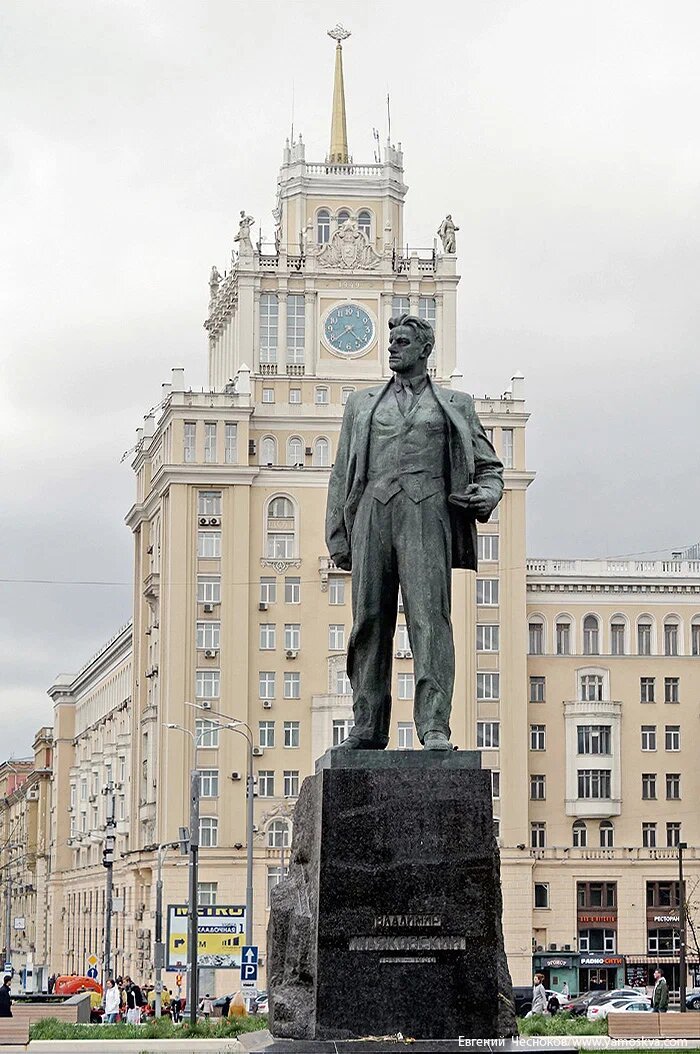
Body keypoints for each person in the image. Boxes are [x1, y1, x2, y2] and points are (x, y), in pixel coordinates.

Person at [326, 313, 503, 750]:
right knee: (368, 620)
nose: (392, 348)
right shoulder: (361, 404)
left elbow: (489, 467)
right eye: (391, 342)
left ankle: (434, 725)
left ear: (424, 350)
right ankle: (368, 726)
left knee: (429, 621)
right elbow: (341, 471)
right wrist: (337, 534)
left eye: (402, 341)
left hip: (428, 515)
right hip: (371, 514)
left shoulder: (456, 405)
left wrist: (489, 494)